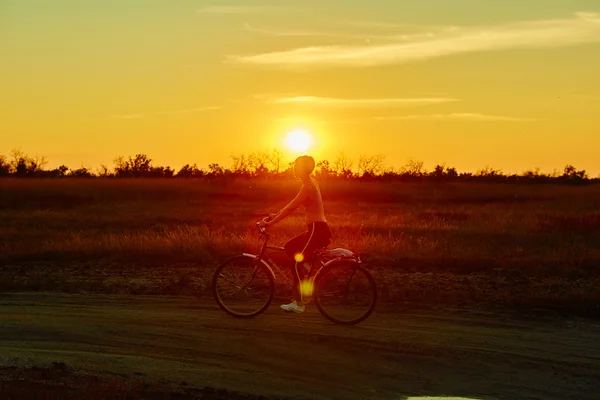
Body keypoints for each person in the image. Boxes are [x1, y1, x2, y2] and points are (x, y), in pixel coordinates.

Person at [257, 155, 332, 313]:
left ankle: (299, 303)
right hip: (317, 230)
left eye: (296, 165)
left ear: (304, 168)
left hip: (316, 231)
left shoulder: (308, 187)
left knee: (296, 265)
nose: (293, 167)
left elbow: (291, 208)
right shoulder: (310, 182)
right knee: (289, 247)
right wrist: (274, 215)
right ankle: (307, 279)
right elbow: (291, 205)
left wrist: (270, 224)